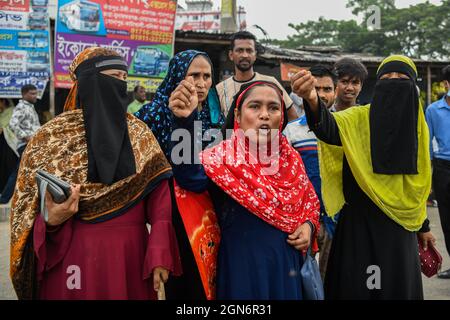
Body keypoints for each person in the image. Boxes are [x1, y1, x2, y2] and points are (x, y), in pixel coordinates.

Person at [10, 47, 181, 300]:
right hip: (70, 254)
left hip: (129, 255)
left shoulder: (139, 134)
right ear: (89, 82)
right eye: (113, 77)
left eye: (124, 79)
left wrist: (159, 251)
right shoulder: (49, 139)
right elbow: (25, 213)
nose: (120, 86)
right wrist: (49, 221)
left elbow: (159, 201)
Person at [291, 55, 436, 299]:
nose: (394, 83)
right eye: (387, 78)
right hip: (359, 225)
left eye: (401, 79)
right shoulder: (358, 118)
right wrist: (312, 98)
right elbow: (327, 127)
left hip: (399, 230)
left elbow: (416, 185)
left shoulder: (418, 127)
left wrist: (423, 226)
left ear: (413, 86)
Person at [170, 80, 320, 299]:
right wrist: (184, 122)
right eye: (255, 106)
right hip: (241, 267)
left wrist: (308, 226)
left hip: (286, 267)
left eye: (273, 108)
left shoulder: (292, 160)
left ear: (281, 118)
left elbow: (310, 204)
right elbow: (189, 178)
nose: (264, 114)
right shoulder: (221, 158)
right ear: (238, 116)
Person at [135, 50, 225, 300]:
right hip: (172, 214)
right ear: (177, 77)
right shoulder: (151, 115)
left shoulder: (216, 118)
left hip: (211, 211)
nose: (201, 83)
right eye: (193, 75)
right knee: (185, 283)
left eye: (207, 76)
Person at [284, 64, 337, 279]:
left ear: (336, 92)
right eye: (316, 88)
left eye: (327, 89)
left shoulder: (345, 127)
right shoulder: (291, 130)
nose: (321, 95)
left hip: (338, 219)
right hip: (303, 221)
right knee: (305, 280)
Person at [216, 31, 298, 121]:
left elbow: (292, 117)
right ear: (231, 55)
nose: (245, 55)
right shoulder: (220, 89)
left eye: (249, 50)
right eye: (240, 50)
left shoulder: (271, 83)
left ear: (255, 55)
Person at [425, 65, 450, 279]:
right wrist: (428, 179)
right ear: (446, 84)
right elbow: (427, 146)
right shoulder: (433, 110)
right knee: (447, 219)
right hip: (443, 168)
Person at [0, 85, 40, 204]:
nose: (35, 96)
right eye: (32, 93)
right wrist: (26, 137)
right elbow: (13, 124)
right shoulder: (21, 107)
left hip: (33, 144)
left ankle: (27, 199)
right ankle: (4, 198)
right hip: (26, 144)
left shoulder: (30, 107)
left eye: (35, 93)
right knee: (19, 171)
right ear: (24, 94)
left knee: (27, 171)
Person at [0, 98, 18, 193]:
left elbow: (11, 126)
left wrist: (3, 129)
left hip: (10, 145)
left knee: (9, 166)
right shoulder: (2, 113)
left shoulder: (12, 111)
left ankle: (9, 191)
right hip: (2, 145)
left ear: (3, 101)